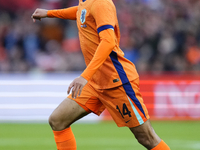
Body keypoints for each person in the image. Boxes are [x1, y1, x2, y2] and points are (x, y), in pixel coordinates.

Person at [32, 0, 170, 149]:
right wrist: (49, 13)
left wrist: (84, 76)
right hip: (96, 82)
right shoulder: (87, 2)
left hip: (117, 81)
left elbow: (108, 41)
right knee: (57, 120)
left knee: (146, 138)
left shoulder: (101, 2)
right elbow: (81, 12)